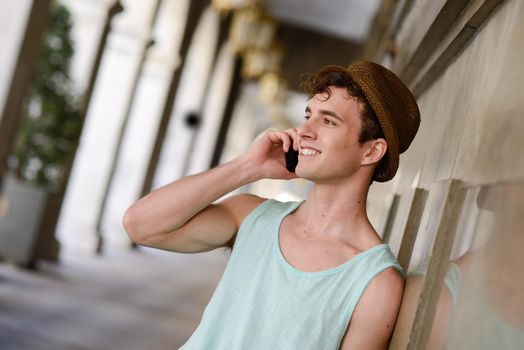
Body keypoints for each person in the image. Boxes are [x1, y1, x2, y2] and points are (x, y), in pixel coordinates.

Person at [123, 60, 420, 349]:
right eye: (308, 116)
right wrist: (248, 167)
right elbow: (141, 226)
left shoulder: (376, 282)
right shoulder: (251, 215)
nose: (305, 130)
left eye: (328, 121)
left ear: (371, 151)